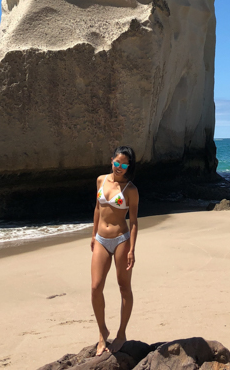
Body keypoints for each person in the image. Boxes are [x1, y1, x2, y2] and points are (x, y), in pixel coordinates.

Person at [91, 145, 139, 355]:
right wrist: (93, 235)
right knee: (95, 287)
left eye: (124, 164)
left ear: (129, 166)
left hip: (121, 240)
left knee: (124, 288)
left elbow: (134, 221)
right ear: (111, 160)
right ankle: (102, 332)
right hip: (101, 239)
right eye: (117, 163)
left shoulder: (131, 190)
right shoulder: (101, 180)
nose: (120, 167)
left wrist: (132, 249)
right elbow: (97, 209)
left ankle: (121, 334)